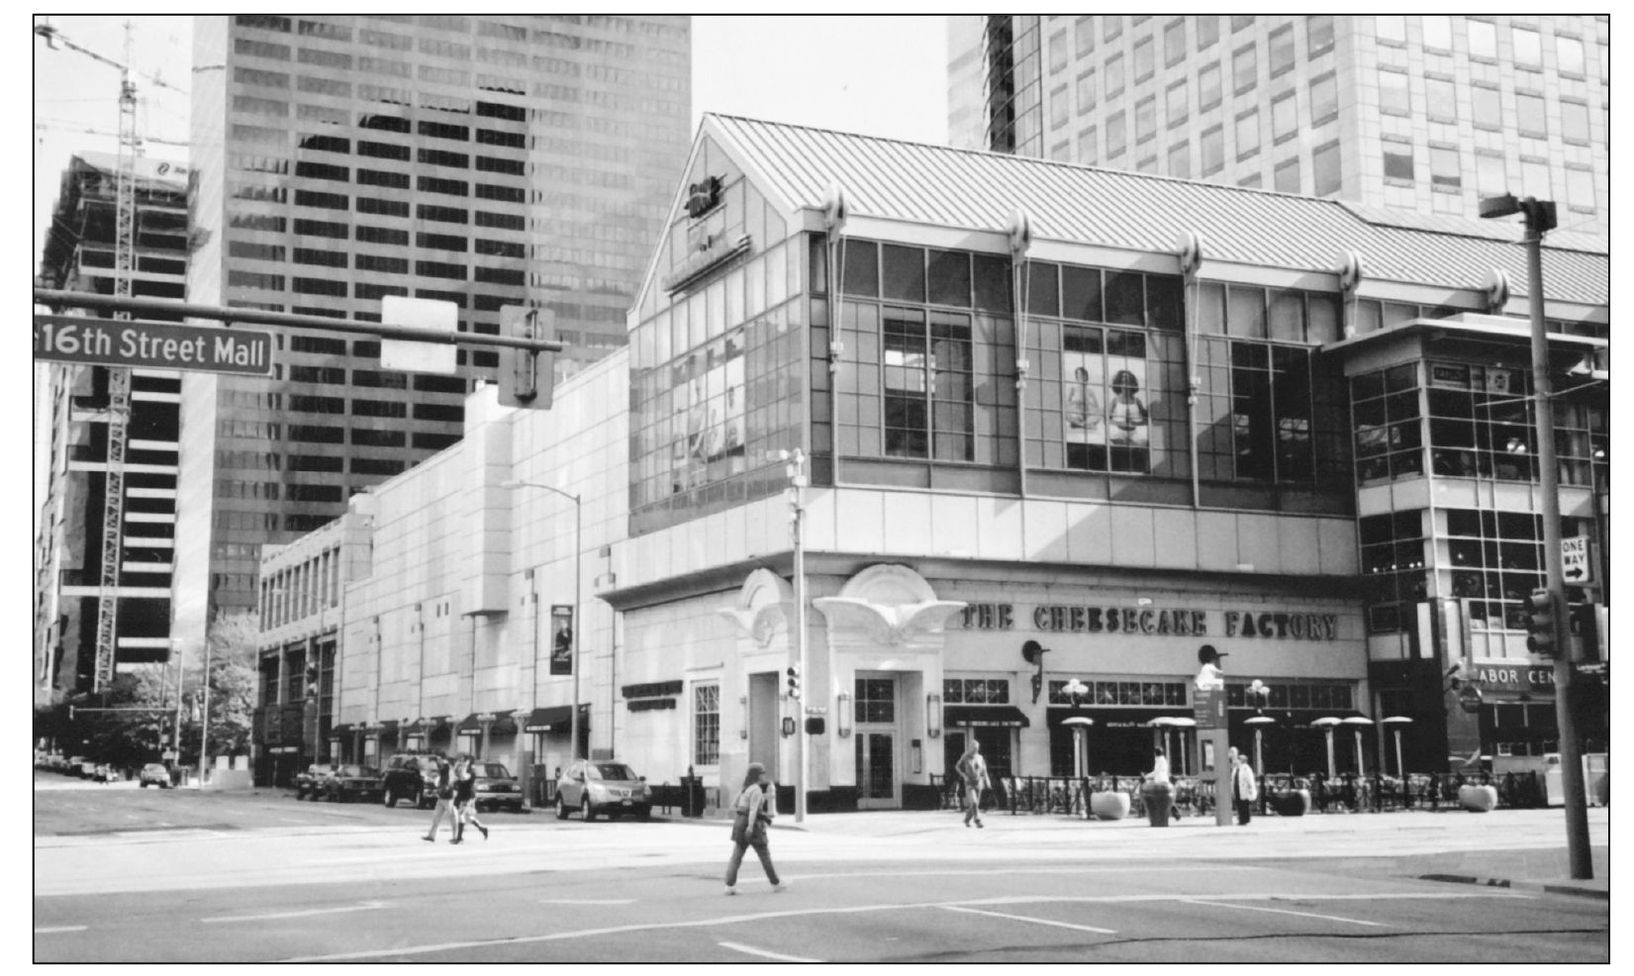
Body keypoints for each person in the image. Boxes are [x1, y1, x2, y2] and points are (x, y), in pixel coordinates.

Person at [724, 762, 783, 895]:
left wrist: (741, 815)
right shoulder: (756, 789)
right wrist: (750, 827)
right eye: (762, 773)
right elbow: (753, 810)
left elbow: (734, 805)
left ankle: (729, 885)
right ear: (757, 775)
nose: (764, 775)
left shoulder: (745, 788)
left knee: (736, 856)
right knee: (764, 856)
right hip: (753, 826)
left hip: (740, 822)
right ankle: (776, 883)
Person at [421, 754, 456, 843]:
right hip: (441, 797)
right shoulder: (443, 769)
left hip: (448, 797)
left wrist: (447, 787)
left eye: (440, 760)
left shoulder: (448, 768)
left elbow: (451, 780)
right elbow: (440, 778)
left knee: (452, 817)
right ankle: (431, 836)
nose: (438, 763)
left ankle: (455, 836)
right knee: (436, 816)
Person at [453, 756, 489, 843]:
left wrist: (464, 766)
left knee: (461, 814)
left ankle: (459, 838)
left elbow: (463, 777)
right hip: (462, 795)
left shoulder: (471, 772)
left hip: (467, 797)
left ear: (468, 762)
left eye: (464, 761)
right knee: (469, 817)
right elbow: (457, 774)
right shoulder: (463, 769)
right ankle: (483, 829)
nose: (462, 762)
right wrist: (458, 765)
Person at [956, 741, 991, 829]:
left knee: (975, 804)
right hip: (969, 783)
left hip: (978, 782)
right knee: (974, 802)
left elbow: (984, 770)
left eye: (977, 748)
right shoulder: (965, 756)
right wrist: (964, 776)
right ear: (970, 747)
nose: (975, 750)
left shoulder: (980, 757)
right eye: (974, 748)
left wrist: (987, 780)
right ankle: (977, 820)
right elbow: (957, 767)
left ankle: (967, 819)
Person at [1145, 747, 1175, 824]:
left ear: (1156, 753)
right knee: (1163, 801)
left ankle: (1162, 817)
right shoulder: (1162, 760)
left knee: (1159, 801)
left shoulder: (1160, 761)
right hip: (1163, 781)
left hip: (1160, 782)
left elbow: (1156, 772)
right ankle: (1172, 811)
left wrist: (1146, 776)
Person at [1232, 752, 1259, 826]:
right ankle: (1241, 818)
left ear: (1242, 761)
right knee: (1239, 804)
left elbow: (1250, 779)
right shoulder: (1236, 768)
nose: (1236, 761)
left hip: (1244, 789)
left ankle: (1245, 819)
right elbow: (1233, 779)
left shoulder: (1246, 768)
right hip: (1237, 789)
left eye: (1238, 760)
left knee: (1244, 804)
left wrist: (1251, 789)